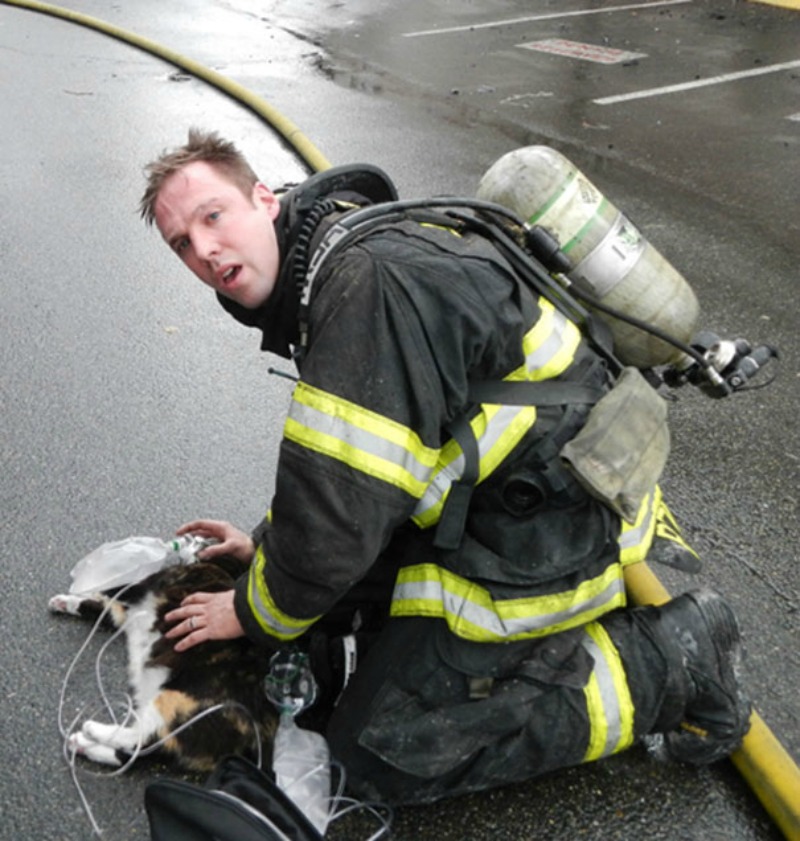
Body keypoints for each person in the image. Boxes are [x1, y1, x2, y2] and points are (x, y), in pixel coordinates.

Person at [140, 128, 751, 805]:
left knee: (381, 754)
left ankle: (672, 659)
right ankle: (508, 654)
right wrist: (267, 549)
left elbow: (339, 516)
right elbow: (346, 470)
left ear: (265, 197)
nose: (204, 250)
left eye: (212, 216)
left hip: (548, 525)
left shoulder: (364, 284)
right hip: (505, 495)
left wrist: (251, 610)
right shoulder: (339, 253)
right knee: (335, 633)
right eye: (182, 244)